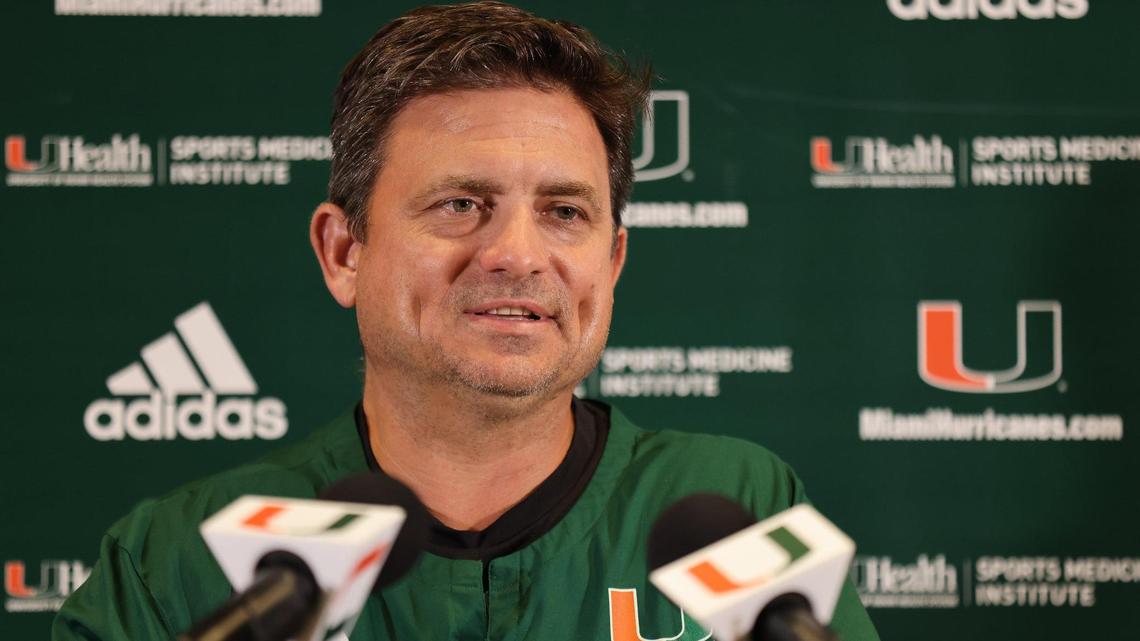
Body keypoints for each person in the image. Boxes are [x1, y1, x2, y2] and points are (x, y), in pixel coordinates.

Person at [53, 3, 880, 640]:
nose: (516, 254)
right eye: (460, 203)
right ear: (343, 252)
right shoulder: (177, 564)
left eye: (564, 211)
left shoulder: (739, 507)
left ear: (612, 263)